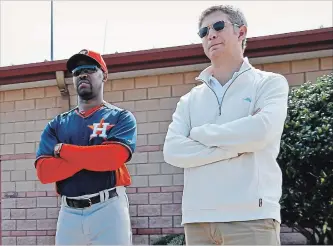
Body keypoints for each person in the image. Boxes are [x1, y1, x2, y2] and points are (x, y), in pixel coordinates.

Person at [163, 5, 289, 245]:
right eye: (203, 31)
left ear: (241, 33)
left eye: (219, 26)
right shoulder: (189, 100)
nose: (210, 34)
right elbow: (173, 151)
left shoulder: (269, 84)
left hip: (252, 216)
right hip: (197, 220)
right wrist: (237, 146)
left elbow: (261, 132)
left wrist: (201, 134)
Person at [35, 49, 137, 245]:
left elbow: (113, 158)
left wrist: (63, 151)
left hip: (108, 207)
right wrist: (94, 157)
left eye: (89, 69)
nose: (82, 74)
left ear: (103, 75)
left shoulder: (120, 117)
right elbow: (44, 172)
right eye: (76, 71)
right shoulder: (57, 124)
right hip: (69, 212)